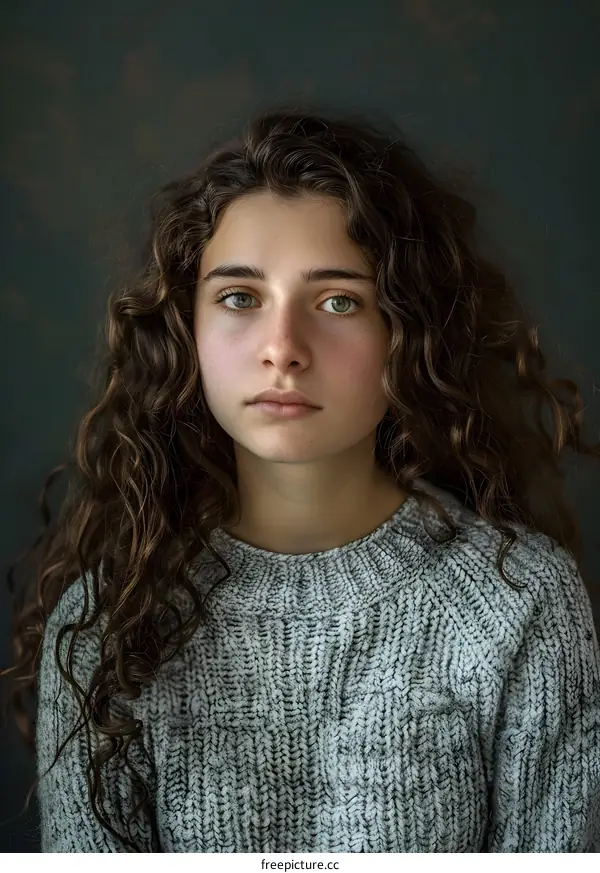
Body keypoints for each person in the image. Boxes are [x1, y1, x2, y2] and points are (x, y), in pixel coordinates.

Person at [1, 102, 599, 853]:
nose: (282, 347)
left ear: (407, 334)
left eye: (338, 301)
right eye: (240, 298)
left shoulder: (521, 605)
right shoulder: (109, 620)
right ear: (187, 330)